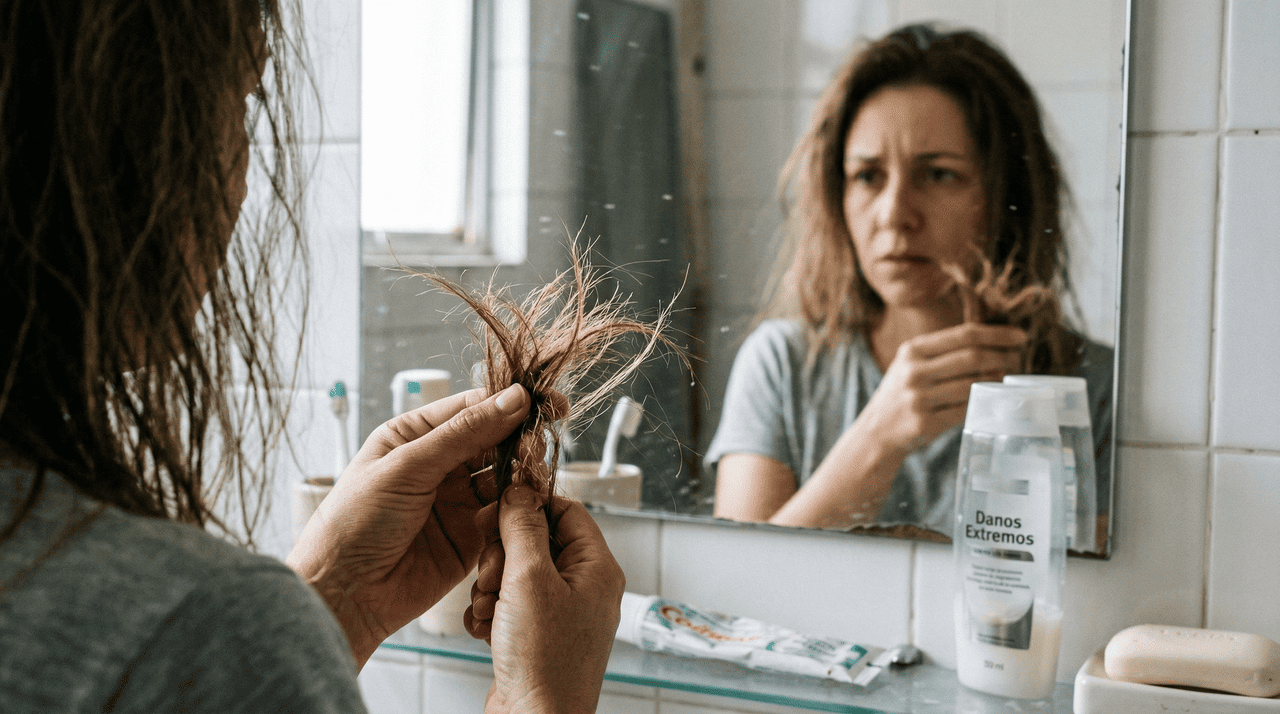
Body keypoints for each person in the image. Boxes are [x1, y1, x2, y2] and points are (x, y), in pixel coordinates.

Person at [0, 1, 622, 712]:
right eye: (243, 97)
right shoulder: (191, 629)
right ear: (115, 133)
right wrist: (542, 698)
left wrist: (333, 597)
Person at [707, 24, 1113, 533]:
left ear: (1006, 198)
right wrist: (878, 438)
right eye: (868, 176)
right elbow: (734, 590)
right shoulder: (781, 367)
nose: (895, 213)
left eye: (938, 174)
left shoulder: (1093, 390)